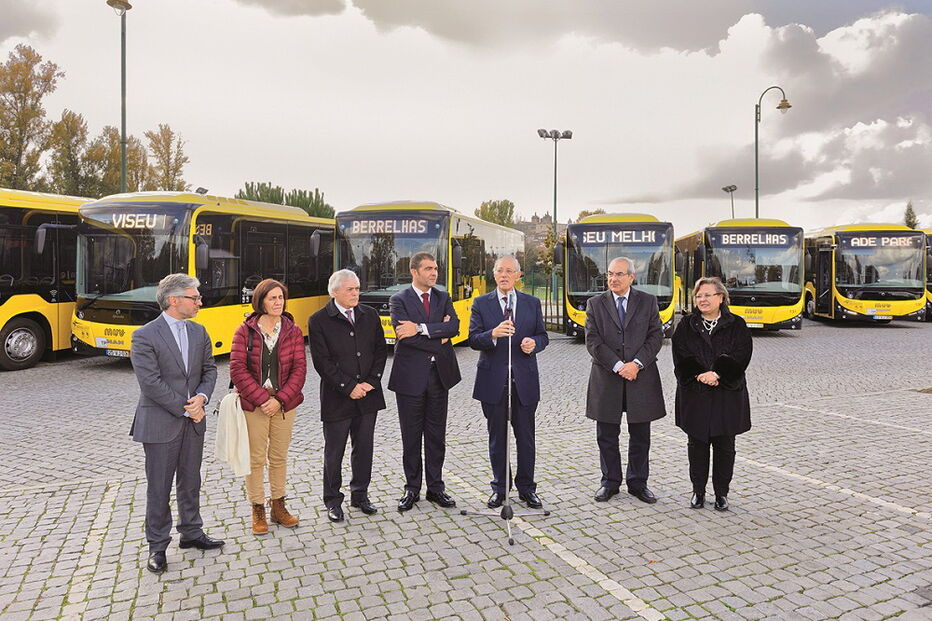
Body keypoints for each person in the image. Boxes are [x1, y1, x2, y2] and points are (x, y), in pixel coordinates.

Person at [130, 274, 222, 575]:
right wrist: (187, 409)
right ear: (174, 300)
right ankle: (157, 547)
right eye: (194, 297)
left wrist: (202, 398)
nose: (200, 302)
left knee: (191, 481)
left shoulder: (200, 332)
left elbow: (210, 370)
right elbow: (151, 383)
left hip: (194, 420)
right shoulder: (144, 336)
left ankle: (192, 533)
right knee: (159, 487)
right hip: (160, 423)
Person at [469, 256, 549, 509]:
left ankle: (527, 488)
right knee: (497, 438)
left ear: (518, 276)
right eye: (500, 271)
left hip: (524, 382)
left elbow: (543, 335)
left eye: (509, 271)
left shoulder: (531, 303)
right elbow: (472, 339)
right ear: (494, 275)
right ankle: (500, 488)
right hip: (493, 382)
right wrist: (491, 334)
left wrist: (534, 344)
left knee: (526, 438)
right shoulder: (481, 303)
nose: (504, 275)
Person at [584, 257, 666, 505]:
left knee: (641, 435)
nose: (613, 279)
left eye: (619, 274)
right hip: (607, 377)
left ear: (631, 276)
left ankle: (638, 483)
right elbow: (593, 341)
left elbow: (655, 336)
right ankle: (609, 482)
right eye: (610, 274)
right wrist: (619, 366)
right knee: (606, 434)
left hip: (640, 377)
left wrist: (636, 364)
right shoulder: (595, 304)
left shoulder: (648, 301)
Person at [308, 269, 387, 522]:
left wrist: (370, 382)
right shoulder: (318, 320)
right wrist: (348, 386)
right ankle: (332, 499)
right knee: (335, 451)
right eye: (350, 289)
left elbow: (380, 351)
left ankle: (360, 494)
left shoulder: (370, 315)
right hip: (337, 397)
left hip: (368, 395)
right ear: (334, 292)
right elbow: (322, 362)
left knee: (364, 448)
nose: (356, 293)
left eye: (357, 288)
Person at [229, 279, 307, 535]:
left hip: (285, 403)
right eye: (272, 298)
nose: (278, 303)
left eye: (281, 298)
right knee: (255, 459)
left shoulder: (292, 330)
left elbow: (299, 369)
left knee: (279, 457)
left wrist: (280, 399)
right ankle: (258, 508)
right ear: (261, 300)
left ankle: (279, 506)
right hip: (255, 404)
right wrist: (263, 399)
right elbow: (237, 369)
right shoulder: (245, 330)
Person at [671, 277, 752, 511]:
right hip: (696, 395)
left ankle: (721, 493)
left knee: (725, 447)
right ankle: (698, 491)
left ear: (721, 297)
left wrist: (718, 373)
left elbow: (742, 355)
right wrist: (700, 374)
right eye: (698, 296)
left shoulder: (737, 324)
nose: (702, 299)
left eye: (707, 295)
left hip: (726, 395)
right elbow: (681, 355)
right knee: (697, 446)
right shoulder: (686, 325)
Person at [389, 252, 462, 512]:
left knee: (436, 435)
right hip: (409, 378)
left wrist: (421, 328)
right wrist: (438, 335)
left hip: (439, 377)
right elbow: (404, 337)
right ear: (414, 271)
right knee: (411, 436)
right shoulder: (399, 300)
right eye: (428, 268)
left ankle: (436, 488)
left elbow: (455, 327)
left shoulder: (443, 297)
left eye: (436, 268)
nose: (434, 273)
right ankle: (412, 489)